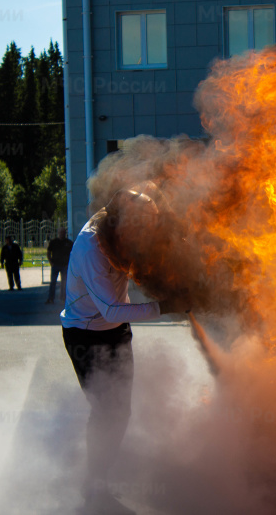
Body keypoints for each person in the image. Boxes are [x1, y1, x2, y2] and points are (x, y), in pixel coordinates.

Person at [60, 185, 190, 514]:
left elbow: (143, 267)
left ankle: (101, 475)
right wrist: (166, 306)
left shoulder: (121, 232)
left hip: (117, 334)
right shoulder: (92, 247)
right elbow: (112, 310)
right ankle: (94, 486)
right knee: (106, 411)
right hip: (86, 337)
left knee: (121, 412)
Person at [46, 227, 73, 304]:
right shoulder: (53, 242)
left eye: (63, 232)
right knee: (53, 282)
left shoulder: (69, 243)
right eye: (60, 232)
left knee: (64, 283)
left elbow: (73, 254)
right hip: (55, 265)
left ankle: (64, 298)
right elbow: (48, 252)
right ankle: (51, 298)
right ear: (58, 233)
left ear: (65, 233)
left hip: (65, 265)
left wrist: (69, 264)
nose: (62, 233)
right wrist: (51, 262)